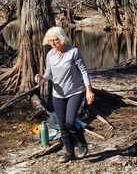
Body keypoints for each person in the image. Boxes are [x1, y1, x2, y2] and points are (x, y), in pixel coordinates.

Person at [34, 27, 95, 163]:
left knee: (70, 121)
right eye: (51, 40)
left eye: (56, 40)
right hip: (58, 94)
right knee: (62, 125)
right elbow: (49, 74)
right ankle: (69, 153)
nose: (54, 43)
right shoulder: (50, 55)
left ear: (62, 39)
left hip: (75, 92)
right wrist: (42, 77)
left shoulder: (73, 52)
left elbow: (84, 72)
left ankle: (81, 143)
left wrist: (89, 90)